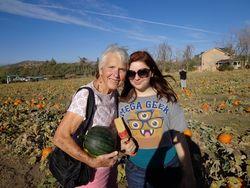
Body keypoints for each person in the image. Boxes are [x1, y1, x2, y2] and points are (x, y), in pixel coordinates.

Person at [52, 44, 135, 188]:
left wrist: (124, 144)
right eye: (111, 67)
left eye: (121, 69)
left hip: (109, 170)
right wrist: (92, 161)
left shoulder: (114, 94)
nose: (116, 74)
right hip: (88, 175)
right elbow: (60, 137)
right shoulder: (86, 95)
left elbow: (111, 130)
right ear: (100, 69)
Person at [119, 51, 196, 188]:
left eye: (142, 72)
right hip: (136, 170)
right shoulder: (122, 103)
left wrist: (189, 174)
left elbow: (179, 138)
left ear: (152, 72)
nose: (136, 77)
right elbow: (119, 136)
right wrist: (121, 146)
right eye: (131, 73)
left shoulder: (167, 100)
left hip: (168, 168)